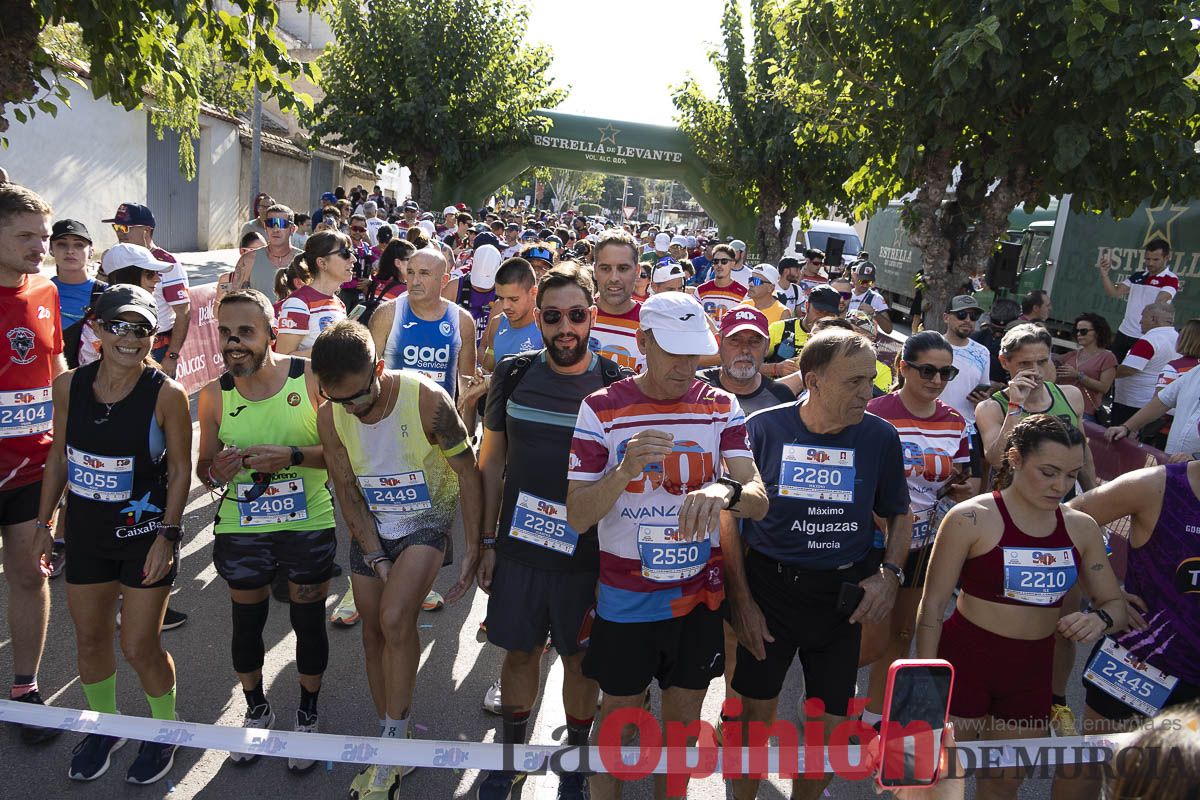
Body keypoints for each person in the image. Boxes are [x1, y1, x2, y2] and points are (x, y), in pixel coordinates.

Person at [567, 290, 768, 800]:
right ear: (642, 341)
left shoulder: (720, 405)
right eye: (673, 351)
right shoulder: (601, 408)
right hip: (626, 598)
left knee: (680, 728)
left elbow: (759, 499)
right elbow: (578, 514)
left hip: (696, 597)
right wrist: (625, 469)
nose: (685, 365)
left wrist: (725, 489)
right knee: (621, 723)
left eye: (693, 351)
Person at [727, 329, 911, 800]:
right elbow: (728, 521)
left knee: (828, 734)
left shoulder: (880, 436)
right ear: (813, 380)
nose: (867, 393)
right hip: (769, 590)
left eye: (871, 380)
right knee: (753, 723)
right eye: (853, 382)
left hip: (840, 600)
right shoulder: (763, 428)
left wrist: (889, 575)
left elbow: (900, 515)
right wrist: (741, 602)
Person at [475, 265, 631, 800]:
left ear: (592, 316)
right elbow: (491, 462)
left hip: (587, 555)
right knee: (519, 654)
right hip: (520, 548)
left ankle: (574, 763)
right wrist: (486, 543)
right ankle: (511, 761)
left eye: (577, 315)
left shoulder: (614, 386)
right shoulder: (513, 374)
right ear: (538, 318)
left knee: (580, 660)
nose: (566, 327)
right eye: (553, 316)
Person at [312, 320, 483, 799]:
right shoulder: (331, 415)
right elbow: (345, 488)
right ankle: (395, 729)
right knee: (371, 631)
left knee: (393, 617)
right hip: (374, 522)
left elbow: (468, 473)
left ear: (379, 370)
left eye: (359, 398)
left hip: (429, 515)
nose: (352, 409)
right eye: (339, 399)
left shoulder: (426, 398)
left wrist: (474, 548)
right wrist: (372, 554)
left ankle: (389, 753)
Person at [915, 414, 1127, 800]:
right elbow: (931, 607)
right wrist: (927, 684)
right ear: (1014, 458)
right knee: (940, 782)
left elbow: (1114, 603)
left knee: (1003, 784)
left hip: (1031, 673)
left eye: (1071, 475)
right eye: (1048, 472)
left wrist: (1100, 619)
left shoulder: (1081, 528)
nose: (1060, 486)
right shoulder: (970, 518)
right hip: (964, 662)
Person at [37, 284, 191, 783]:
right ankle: (106, 725)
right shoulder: (69, 386)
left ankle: (166, 730)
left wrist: (168, 535)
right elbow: (58, 455)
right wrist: (44, 524)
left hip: (145, 539)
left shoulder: (166, 393)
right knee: (90, 638)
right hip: (87, 535)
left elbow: (182, 473)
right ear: (97, 328)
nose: (131, 338)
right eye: (119, 326)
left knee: (139, 644)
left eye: (143, 329)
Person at [195, 289, 337, 774]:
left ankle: (307, 716)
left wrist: (292, 456)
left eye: (246, 333)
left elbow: (340, 456)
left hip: (306, 522)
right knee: (246, 624)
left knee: (308, 621)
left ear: (272, 334)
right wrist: (217, 467)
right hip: (244, 526)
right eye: (226, 333)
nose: (234, 343)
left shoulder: (309, 377)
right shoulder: (215, 394)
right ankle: (256, 708)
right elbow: (204, 471)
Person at [1049, 463, 1200, 800]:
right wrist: (1103, 593)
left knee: (1175, 784)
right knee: (1093, 764)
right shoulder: (1155, 486)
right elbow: (1064, 520)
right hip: (1140, 661)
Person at [858, 332, 973, 729]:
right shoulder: (873, 411)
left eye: (947, 373)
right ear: (903, 367)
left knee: (901, 632)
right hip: (871, 540)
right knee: (867, 638)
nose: (938, 380)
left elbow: (960, 477)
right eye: (928, 370)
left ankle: (874, 715)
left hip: (924, 543)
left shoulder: (955, 422)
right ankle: (828, 700)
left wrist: (961, 486)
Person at [0, 183, 67, 744]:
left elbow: (57, 367)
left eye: (42, 236)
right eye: (24, 236)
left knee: (28, 573)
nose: (39, 247)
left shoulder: (45, 291)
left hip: (32, 469)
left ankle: (25, 687)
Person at [369, 246, 477, 402]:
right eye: (411, 272)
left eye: (424, 273)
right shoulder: (387, 314)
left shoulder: (462, 320)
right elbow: (369, 376)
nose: (415, 281)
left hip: (439, 421)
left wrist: (467, 426)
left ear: (444, 280)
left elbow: (467, 387)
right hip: (392, 419)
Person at [102, 203, 191, 378]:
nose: (120, 232)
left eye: (125, 227)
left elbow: (183, 312)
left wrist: (171, 355)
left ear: (146, 230)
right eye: (116, 227)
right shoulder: (116, 256)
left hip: (157, 348)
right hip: (119, 344)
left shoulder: (167, 262)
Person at [697, 306, 795, 415]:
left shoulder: (782, 398)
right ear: (718, 343)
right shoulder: (693, 388)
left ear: (767, 346)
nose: (745, 350)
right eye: (735, 340)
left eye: (754, 341)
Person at [1097, 238, 1178, 360]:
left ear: (1166, 258)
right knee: (1110, 368)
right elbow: (1114, 293)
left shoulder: (1171, 279)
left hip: (1145, 336)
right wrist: (1104, 274)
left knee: (1132, 373)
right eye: (1147, 259)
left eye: (1155, 259)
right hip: (1124, 331)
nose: (1150, 263)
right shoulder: (1138, 275)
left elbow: (1159, 303)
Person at [938, 295, 996, 462]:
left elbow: (984, 389)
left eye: (974, 316)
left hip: (967, 432)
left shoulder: (982, 352)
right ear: (946, 317)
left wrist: (983, 399)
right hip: (933, 428)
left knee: (970, 486)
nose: (968, 320)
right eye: (962, 315)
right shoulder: (931, 345)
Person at [276, 231, 351, 359]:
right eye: (345, 253)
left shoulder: (338, 303)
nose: (353, 259)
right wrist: (332, 348)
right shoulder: (298, 303)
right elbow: (282, 358)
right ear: (322, 263)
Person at [587, 230, 646, 373]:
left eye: (623, 268)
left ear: (637, 271)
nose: (614, 277)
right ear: (595, 270)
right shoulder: (576, 315)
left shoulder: (652, 321)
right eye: (605, 268)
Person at [1113, 302, 1178, 428]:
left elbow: (1129, 370)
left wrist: (1103, 374)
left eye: (1143, 317)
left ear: (1153, 319)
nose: (1140, 322)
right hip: (1159, 404)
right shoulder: (1177, 338)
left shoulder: (1149, 340)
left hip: (1133, 403)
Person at [49, 219, 104, 370]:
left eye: (79, 245)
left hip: (92, 382)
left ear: (91, 251)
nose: (70, 251)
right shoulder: (40, 292)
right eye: (62, 244)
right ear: (51, 249)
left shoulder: (106, 294)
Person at [761, 283, 842, 379]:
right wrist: (776, 369)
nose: (822, 318)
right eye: (818, 312)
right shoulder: (779, 329)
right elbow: (749, 365)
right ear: (807, 306)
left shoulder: (840, 339)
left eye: (829, 314)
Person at [478, 258, 540, 371]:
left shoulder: (548, 328)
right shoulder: (497, 323)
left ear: (533, 292)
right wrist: (479, 377)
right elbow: (487, 372)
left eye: (514, 299)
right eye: (501, 298)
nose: (505, 306)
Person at [1056, 313, 1118, 424]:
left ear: (1097, 333)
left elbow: (1104, 387)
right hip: (1059, 405)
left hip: (1084, 411)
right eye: (1077, 331)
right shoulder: (1072, 355)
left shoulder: (1107, 357)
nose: (1079, 334)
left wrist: (1078, 375)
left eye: (1083, 331)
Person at [229, 204, 303, 297]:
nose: (276, 229)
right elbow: (234, 299)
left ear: (292, 229)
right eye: (271, 223)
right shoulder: (248, 260)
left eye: (282, 224)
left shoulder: (305, 261)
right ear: (265, 226)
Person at [351, 238, 410, 327]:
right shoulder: (404, 292)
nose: (416, 263)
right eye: (411, 259)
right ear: (398, 263)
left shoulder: (375, 283)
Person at [970, 298, 1021, 385]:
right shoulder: (975, 339)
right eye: (994, 329)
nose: (997, 335)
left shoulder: (1021, 345)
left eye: (1002, 332)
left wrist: (1001, 387)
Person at [696, 243, 748, 322]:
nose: (719, 265)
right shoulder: (700, 290)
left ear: (732, 264)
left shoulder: (743, 293)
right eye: (716, 261)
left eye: (724, 261)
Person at [846, 261, 892, 334]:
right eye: (862, 281)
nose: (865, 285)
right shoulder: (846, 294)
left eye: (869, 282)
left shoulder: (876, 298)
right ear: (855, 276)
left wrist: (874, 313)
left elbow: (888, 330)